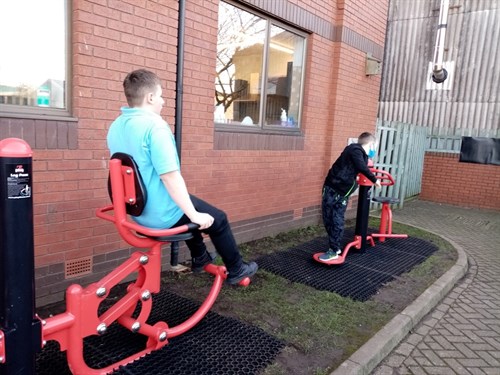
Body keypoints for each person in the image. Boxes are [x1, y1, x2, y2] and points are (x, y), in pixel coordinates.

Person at [107, 69, 258, 284]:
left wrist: (191, 210)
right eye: (160, 96)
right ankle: (237, 269)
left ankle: (200, 256)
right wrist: (195, 216)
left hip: (138, 213)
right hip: (162, 216)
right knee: (217, 218)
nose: (163, 101)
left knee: (189, 203)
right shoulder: (155, 126)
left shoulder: (116, 126)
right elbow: (170, 178)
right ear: (150, 97)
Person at [320, 132, 382, 261]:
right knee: (328, 218)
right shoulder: (354, 149)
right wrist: (374, 179)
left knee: (336, 219)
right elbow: (361, 166)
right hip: (332, 187)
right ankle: (334, 247)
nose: (374, 150)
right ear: (371, 144)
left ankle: (334, 249)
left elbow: (361, 166)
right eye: (374, 146)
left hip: (342, 191)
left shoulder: (362, 156)